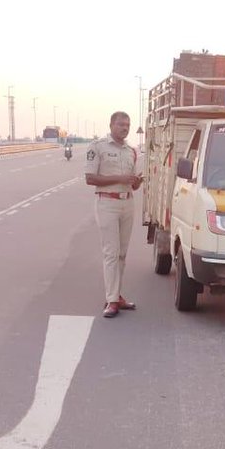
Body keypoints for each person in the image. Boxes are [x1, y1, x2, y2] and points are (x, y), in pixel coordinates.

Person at [83, 111, 141, 318]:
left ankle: (117, 295)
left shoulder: (131, 151)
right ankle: (111, 300)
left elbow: (133, 185)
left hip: (127, 202)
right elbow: (90, 178)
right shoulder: (98, 147)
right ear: (111, 125)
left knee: (122, 254)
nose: (124, 128)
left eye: (127, 125)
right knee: (111, 253)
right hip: (107, 202)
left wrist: (137, 180)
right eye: (120, 124)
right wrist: (120, 177)